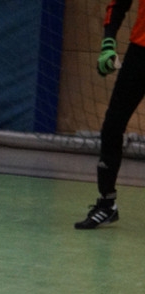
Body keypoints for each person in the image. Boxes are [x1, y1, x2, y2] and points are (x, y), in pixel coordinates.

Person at [75, 0, 145, 229]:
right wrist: (108, 42)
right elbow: (118, 4)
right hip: (140, 52)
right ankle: (107, 204)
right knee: (112, 126)